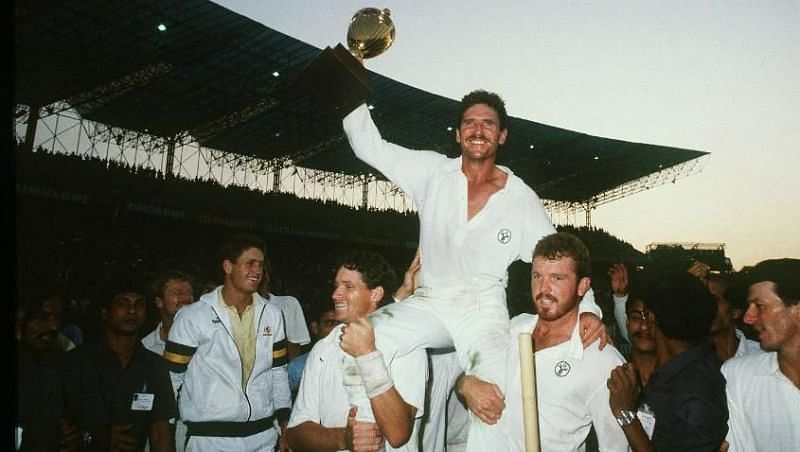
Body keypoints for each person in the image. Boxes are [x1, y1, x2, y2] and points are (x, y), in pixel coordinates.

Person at [341, 90, 604, 450]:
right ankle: (372, 431)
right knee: (362, 335)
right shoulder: (433, 172)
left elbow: (560, 257)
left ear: (502, 135)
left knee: (492, 406)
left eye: (488, 124)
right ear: (457, 132)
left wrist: (588, 309)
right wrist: (347, 86)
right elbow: (370, 147)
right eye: (469, 122)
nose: (478, 130)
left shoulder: (520, 198)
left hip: (482, 311)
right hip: (430, 301)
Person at [457, 232, 628, 451]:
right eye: (537, 276)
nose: (544, 289)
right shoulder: (513, 327)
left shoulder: (601, 358)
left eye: (557, 278)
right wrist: (465, 385)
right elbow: (467, 376)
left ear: (582, 286)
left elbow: (617, 446)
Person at [287, 250, 427, 451]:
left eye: (349, 287)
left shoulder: (407, 346)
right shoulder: (324, 347)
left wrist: (366, 355)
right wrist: (342, 439)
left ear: (375, 294)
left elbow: (398, 435)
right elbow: (295, 435)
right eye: (336, 286)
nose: (335, 294)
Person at [163, 233, 291, 451]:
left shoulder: (273, 314)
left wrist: (285, 422)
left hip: (263, 436)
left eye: (260, 265)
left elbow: (278, 373)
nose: (257, 271)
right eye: (249, 264)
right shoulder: (193, 316)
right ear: (228, 266)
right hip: (209, 439)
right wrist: (166, 430)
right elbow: (171, 379)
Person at [607, 271, 728, 451]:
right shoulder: (686, 370)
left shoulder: (694, 395)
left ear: (653, 319)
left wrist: (626, 415)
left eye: (646, 314)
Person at [60, 276, 176, 452]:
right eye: (122, 304)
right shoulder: (77, 362)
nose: (132, 311)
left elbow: (160, 432)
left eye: (139, 304)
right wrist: (95, 439)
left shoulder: (154, 366)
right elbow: (59, 429)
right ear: (105, 312)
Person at [721, 258, 800, 451]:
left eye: (760, 305)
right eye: (748, 306)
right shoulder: (739, 375)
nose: (748, 318)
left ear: (797, 310)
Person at [141, 269, 195, 452]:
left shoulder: (207, 345)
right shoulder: (144, 348)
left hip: (197, 438)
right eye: (178, 293)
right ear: (159, 302)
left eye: (189, 293)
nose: (187, 299)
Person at [15, 296, 69, 451]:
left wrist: (86, 437)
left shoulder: (55, 375)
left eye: (58, 318)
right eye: (42, 317)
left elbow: (89, 431)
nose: (53, 326)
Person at [259, 256, 312, 361]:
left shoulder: (287, 304)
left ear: (267, 276)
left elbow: (294, 352)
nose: (256, 273)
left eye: (261, 269)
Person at [706, 273, 762, 362]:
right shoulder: (689, 356)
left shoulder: (760, 355)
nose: (706, 307)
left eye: (714, 300)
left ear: (735, 312)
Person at [287, 306, 340, 397]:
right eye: (330, 323)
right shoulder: (299, 367)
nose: (336, 329)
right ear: (315, 327)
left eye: (340, 323)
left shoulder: (354, 360)